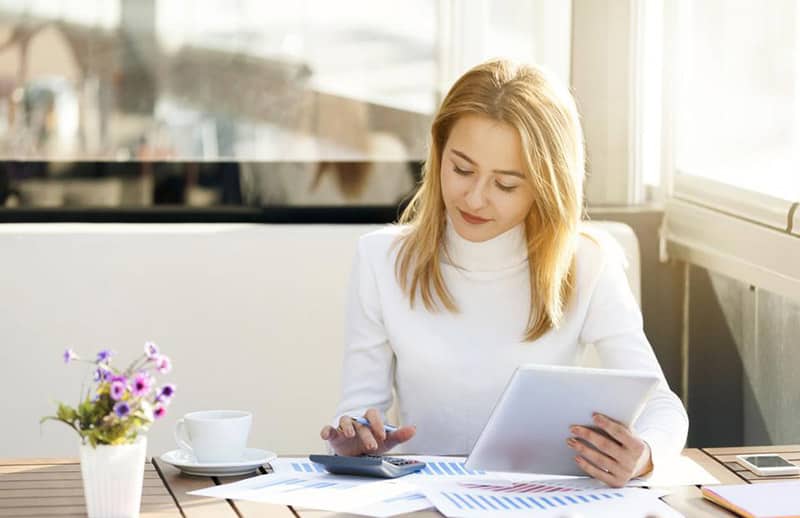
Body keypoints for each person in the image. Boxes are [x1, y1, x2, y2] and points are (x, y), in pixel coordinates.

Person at [319, 59, 688, 488]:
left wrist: (644, 454)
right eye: (461, 169)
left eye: (506, 184)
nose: (474, 198)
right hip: (425, 498)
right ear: (439, 152)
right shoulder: (381, 259)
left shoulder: (588, 262)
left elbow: (662, 406)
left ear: (547, 186)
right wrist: (354, 442)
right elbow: (360, 412)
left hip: (544, 500)